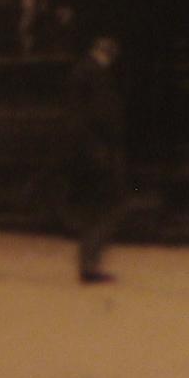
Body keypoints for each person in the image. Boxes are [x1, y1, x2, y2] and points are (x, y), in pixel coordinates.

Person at [64, 35, 127, 284]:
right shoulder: (92, 74)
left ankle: (90, 264)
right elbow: (92, 116)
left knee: (98, 210)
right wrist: (98, 150)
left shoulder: (87, 72)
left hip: (94, 150)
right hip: (97, 152)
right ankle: (90, 266)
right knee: (105, 209)